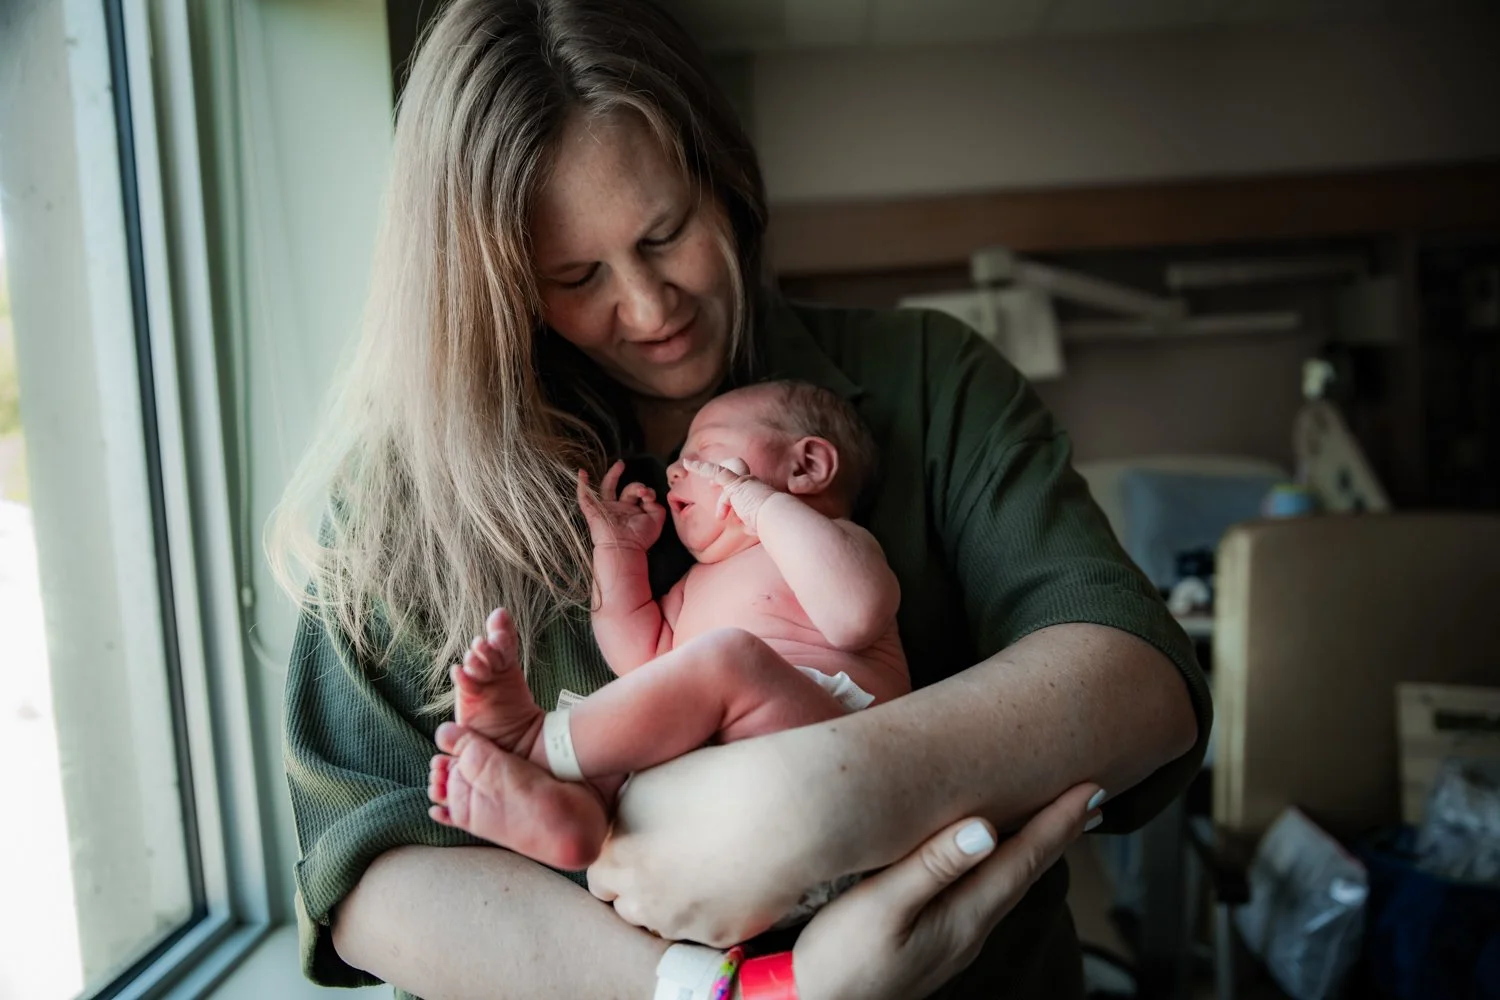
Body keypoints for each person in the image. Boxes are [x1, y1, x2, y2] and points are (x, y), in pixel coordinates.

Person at [271, 0, 1210, 997]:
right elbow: (365, 869)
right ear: (496, 286)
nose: (648, 308)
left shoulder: (928, 383)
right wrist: (725, 992)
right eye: (576, 276)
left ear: (725, 178)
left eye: (666, 233)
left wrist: (822, 799)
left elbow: (1136, 679)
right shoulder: (405, 501)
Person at [426, 382, 909, 911]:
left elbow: (854, 617)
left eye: (702, 453)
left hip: (831, 765)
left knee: (731, 659)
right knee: (632, 721)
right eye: (678, 460)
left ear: (807, 466)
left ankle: (539, 744)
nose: (676, 470)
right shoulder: (695, 585)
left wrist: (759, 502)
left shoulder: (837, 542)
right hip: (716, 829)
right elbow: (642, 658)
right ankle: (572, 821)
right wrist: (618, 550)